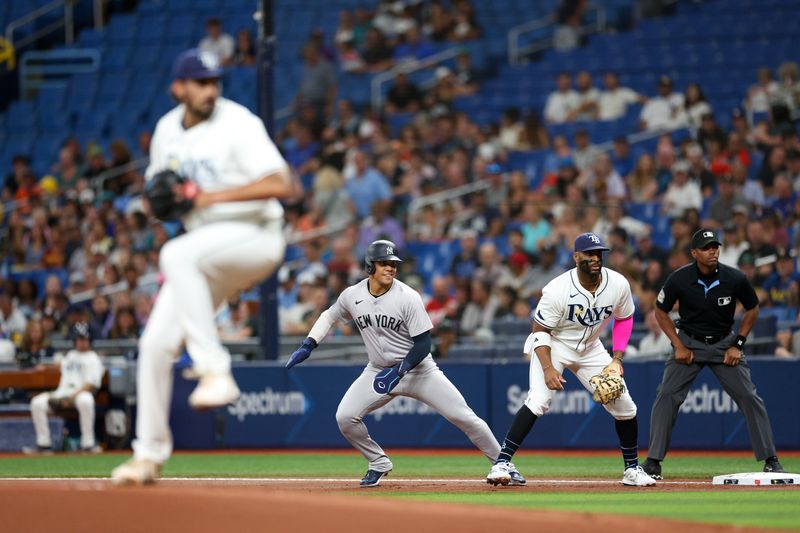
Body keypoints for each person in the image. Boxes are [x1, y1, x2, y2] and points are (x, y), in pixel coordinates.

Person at [111, 49, 291, 484]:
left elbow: (282, 183)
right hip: (206, 247)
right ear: (179, 88)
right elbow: (163, 198)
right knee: (154, 346)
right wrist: (160, 203)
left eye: (215, 81)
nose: (211, 89)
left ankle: (215, 371)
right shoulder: (166, 131)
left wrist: (209, 197)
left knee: (175, 255)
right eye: (201, 82)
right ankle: (148, 455)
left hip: (257, 235)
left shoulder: (238, 123)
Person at [286, 240, 525, 487]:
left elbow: (423, 345)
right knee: (345, 417)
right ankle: (378, 462)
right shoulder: (353, 295)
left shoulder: (408, 297)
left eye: (394, 264)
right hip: (378, 370)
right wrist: (309, 344)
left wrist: (399, 371)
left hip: (420, 370)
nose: (391, 268)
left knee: (464, 417)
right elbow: (329, 315)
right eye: (384, 264)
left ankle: (503, 463)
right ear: (370, 266)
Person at [485, 232, 656, 487]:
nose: (596, 258)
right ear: (576, 256)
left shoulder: (618, 283)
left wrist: (617, 358)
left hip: (591, 348)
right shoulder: (557, 290)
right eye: (589, 254)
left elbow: (624, 318)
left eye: (599, 253)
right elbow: (539, 331)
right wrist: (548, 368)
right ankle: (501, 462)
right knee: (539, 400)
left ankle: (632, 469)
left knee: (626, 406)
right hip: (555, 344)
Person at [641, 229, 786, 479]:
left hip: (723, 343)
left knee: (749, 397)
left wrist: (738, 344)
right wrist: (677, 345)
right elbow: (660, 312)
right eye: (707, 248)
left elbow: (753, 308)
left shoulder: (734, 278)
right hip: (689, 342)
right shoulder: (679, 278)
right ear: (694, 253)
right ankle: (653, 461)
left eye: (715, 247)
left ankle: (770, 459)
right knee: (666, 395)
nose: (713, 251)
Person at [22, 322, 104, 454]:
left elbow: (90, 384)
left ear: (89, 340)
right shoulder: (71, 355)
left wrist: (71, 397)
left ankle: (88, 444)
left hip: (79, 394)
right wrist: (46, 367)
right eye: (79, 338)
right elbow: (60, 365)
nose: (81, 341)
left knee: (86, 400)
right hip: (61, 393)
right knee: (37, 403)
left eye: (84, 338)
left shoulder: (93, 358)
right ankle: (44, 445)